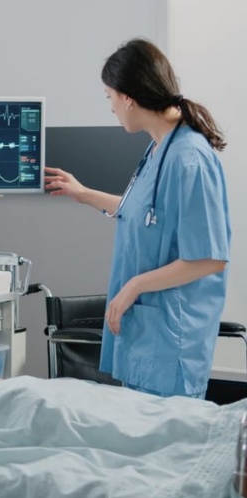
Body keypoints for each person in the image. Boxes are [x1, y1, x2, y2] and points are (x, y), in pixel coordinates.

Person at [44, 38, 231, 399]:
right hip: (148, 333)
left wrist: (134, 286)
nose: (111, 107)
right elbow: (145, 214)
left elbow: (210, 258)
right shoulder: (159, 146)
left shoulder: (188, 158)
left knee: (165, 444)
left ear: (128, 97)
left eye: (110, 96)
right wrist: (84, 194)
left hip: (171, 338)